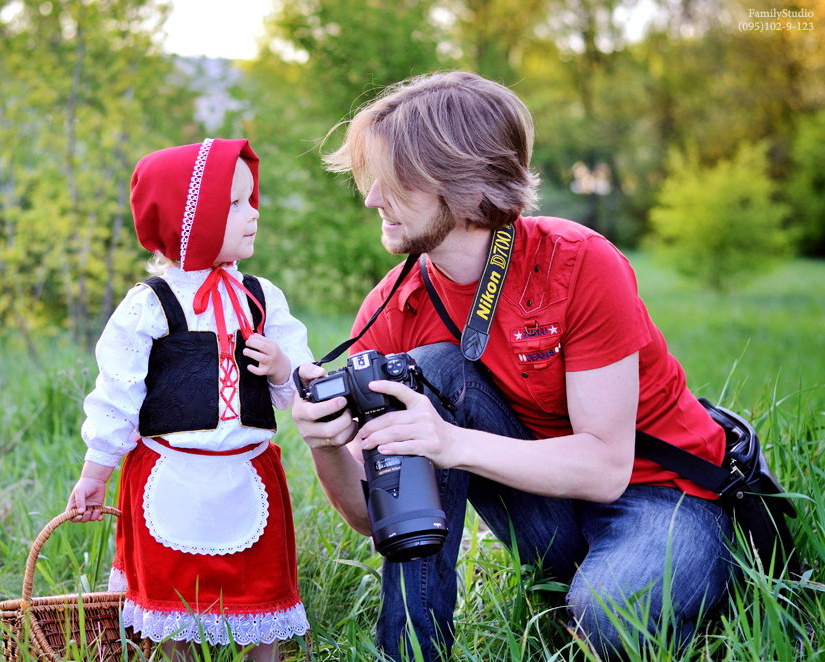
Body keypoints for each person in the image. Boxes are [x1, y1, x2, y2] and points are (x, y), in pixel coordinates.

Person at [292, 71, 734, 661]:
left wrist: (449, 443)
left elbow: (606, 468)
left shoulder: (578, 263)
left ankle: (628, 594)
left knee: (611, 615)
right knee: (433, 368)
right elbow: (374, 519)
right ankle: (412, 651)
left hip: (662, 495)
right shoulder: (393, 307)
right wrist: (323, 444)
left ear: (467, 185)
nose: (372, 199)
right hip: (544, 514)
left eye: (393, 181)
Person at [67, 138, 312, 661]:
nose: (255, 213)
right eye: (236, 204)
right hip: (169, 472)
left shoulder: (263, 297)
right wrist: (95, 474)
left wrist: (282, 368)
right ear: (190, 218)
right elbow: (118, 393)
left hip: (247, 472)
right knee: (169, 605)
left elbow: (297, 388)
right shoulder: (148, 305)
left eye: (252, 200)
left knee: (261, 599)